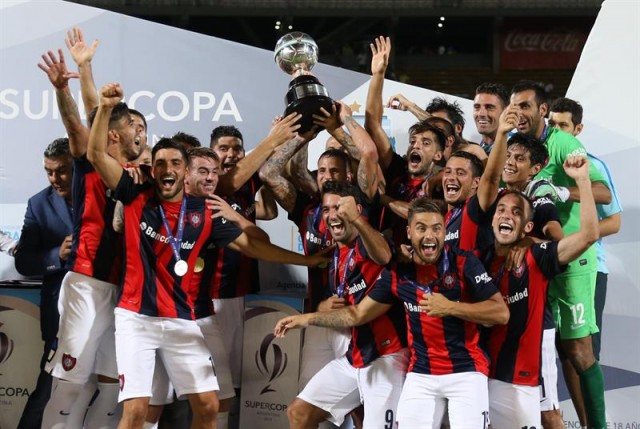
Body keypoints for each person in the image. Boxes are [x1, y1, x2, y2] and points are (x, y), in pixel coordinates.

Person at [87, 82, 328, 429]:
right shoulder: (136, 194)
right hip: (136, 320)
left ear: (185, 172)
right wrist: (107, 110)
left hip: (182, 321)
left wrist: (305, 260)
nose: (167, 169)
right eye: (160, 164)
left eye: (175, 163)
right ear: (152, 170)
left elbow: (253, 245)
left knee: (209, 406)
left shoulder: (204, 212)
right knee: (136, 411)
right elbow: (97, 155)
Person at [275, 197, 509, 428]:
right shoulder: (399, 274)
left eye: (437, 228)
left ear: (444, 230)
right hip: (422, 375)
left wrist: (451, 307)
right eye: (421, 228)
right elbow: (357, 314)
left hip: (466, 371)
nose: (430, 236)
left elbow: (500, 313)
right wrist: (306, 319)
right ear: (409, 232)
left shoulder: (463, 263)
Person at [38, 47, 143, 428]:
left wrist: (85, 69)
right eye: (135, 125)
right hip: (87, 281)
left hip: (126, 292)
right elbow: (81, 120)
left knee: (115, 387)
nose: (141, 132)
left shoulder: (138, 175)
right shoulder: (89, 162)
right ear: (115, 132)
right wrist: (79, 74)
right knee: (70, 385)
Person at [511, 80, 612, 428]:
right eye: (515, 107)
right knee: (553, 353)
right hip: (535, 263)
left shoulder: (563, 142)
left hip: (570, 260)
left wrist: (564, 191)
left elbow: (601, 191)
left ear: (542, 111)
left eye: (525, 106)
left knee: (579, 352)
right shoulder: (515, 146)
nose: (519, 114)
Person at [280, 180, 407, 429]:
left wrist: (308, 318)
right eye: (326, 209)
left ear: (355, 210)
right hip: (355, 357)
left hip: (387, 358)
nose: (332, 215)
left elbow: (384, 255)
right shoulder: (337, 253)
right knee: (299, 413)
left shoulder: (367, 242)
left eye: (340, 208)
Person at [484, 155, 599, 428]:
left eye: (516, 212)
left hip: (528, 367)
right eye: (501, 210)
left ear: (526, 227)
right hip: (489, 371)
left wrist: (582, 181)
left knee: (549, 416)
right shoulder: (479, 259)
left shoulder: (538, 256)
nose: (506, 215)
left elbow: (588, 236)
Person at [549, 97, 623, 429]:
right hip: (552, 266)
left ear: (578, 129)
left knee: (582, 351)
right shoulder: (543, 161)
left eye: (564, 126)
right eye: (553, 125)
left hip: (589, 269)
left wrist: (578, 236)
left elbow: (614, 219)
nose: (557, 131)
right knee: (563, 354)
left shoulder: (591, 164)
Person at [14, 138, 74, 429]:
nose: (55, 178)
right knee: (50, 386)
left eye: (62, 170)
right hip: (60, 314)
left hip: (110, 307)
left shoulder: (105, 195)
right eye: (49, 171)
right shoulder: (39, 204)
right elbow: (23, 261)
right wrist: (56, 255)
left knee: (104, 391)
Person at [472, 82, 509, 154]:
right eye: (477, 107)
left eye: (489, 107)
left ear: (505, 111)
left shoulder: (513, 148)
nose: (481, 114)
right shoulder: (480, 146)